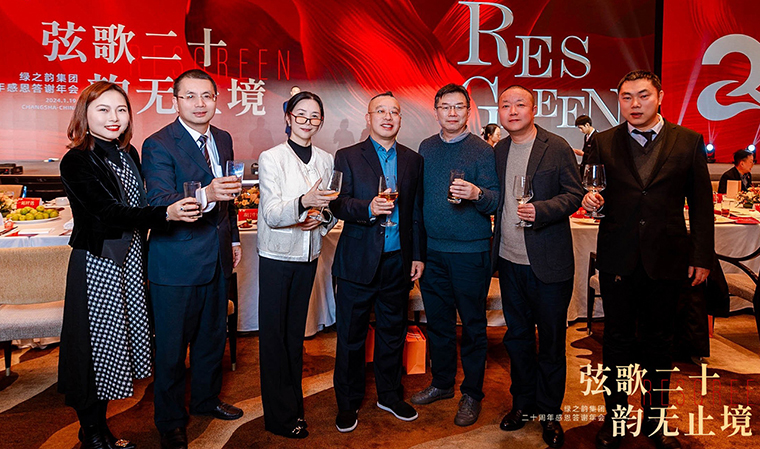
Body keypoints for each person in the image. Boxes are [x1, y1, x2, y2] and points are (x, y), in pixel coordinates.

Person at [58, 81, 199, 449]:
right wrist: (165, 214)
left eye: (121, 110)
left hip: (131, 261)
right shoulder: (77, 160)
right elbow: (108, 212)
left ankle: (98, 428)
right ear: (85, 115)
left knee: (115, 347)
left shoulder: (127, 153)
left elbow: (139, 203)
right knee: (94, 350)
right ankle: (92, 431)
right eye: (103, 109)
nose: (114, 117)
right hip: (98, 264)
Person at [582, 70, 713, 449]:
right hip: (618, 257)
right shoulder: (603, 141)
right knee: (616, 342)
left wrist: (701, 256)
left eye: (642, 95)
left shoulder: (687, 141)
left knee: (660, 342)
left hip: (668, 258)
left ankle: (655, 421)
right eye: (626, 97)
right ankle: (616, 419)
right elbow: (593, 193)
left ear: (660, 97)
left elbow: (701, 205)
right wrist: (591, 202)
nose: (634, 104)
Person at [141, 69, 244, 449]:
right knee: (171, 348)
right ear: (175, 101)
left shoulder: (223, 138)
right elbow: (159, 201)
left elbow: (229, 197)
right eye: (190, 96)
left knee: (211, 338)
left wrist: (234, 238)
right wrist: (206, 194)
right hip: (176, 260)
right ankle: (170, 421)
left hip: (217, 255)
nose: (200, 104)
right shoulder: (158, 143)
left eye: (207, 96)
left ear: (216, 100)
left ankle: (205, 399)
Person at [491, 85, 583, 448]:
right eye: (505, 105)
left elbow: (574, 194)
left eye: (520, 104)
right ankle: (522, 404)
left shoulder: (556, 147)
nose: (512, 111)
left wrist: (541, 210)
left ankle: (549, 414)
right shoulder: (499, 150)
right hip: (509, 261)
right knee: (517, 339)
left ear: (533, 109)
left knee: (552, 343)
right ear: (499, 112)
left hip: (549, 264)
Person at [331, 91, 425, 433]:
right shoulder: (347, 156)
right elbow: (337, 203)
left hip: (398, 261)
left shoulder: (413, 160)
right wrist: (367, 208)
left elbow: (415, 211)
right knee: (351, 336)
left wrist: (418, 255)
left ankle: (389, 394)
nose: (388, 117)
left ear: (400, 119)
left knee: (392, 332)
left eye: (394, 112)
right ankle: (348, 402)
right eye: (380, 111)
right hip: (357, 261)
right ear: (368, 118)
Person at [410, 84, 498, 427]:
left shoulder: (482, 150)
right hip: (433, 252)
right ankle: (443, 383)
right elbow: (419, 203)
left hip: (471, 252)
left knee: (473, 326)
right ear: (436, 111)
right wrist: (418, 251)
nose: (452, 113)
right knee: (439, 323)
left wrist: (477, 194)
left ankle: (472, 393)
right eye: (445, 107)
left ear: (468, 111)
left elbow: (496, 200)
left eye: (458, 107)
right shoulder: (426, 147)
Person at [257, 91, 338, 439]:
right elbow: (272, 214)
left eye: (314, 116)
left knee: (294, 337)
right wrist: (304, 203)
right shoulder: (271, 157)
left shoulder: (326, 159)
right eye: (300, 114)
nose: (307, 121)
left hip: (308, 257)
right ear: (288, 118)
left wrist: (321, 218)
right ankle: (279, 416)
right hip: (277, 257)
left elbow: (330, 212)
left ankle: (294, 407)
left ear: (321, 121)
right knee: (274, 338)